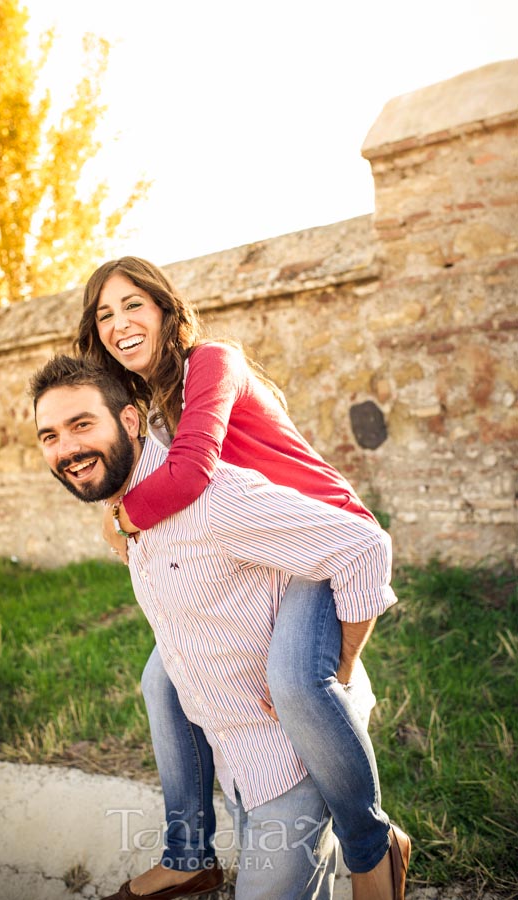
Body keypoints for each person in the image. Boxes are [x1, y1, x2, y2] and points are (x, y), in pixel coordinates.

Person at [73, 257, 411, 900]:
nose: (120, 323)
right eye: (105, 315)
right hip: (259, 549)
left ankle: (374, 848)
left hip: (317, 533)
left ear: (166, 310)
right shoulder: (143, 405)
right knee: (159, 680)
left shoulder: (213, 362)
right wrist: (119, 519)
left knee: (294, 682)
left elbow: (194, 474)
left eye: (133, 305)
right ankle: (189, 854)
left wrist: (122, 516)